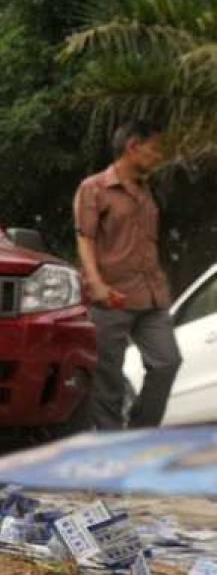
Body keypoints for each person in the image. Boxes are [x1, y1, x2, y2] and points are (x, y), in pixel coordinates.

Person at [75, 120, 180, 430]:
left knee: (166, 362)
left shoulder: (150, 191)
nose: (159, 156)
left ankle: (139, 434)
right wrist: (95, 283)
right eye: (155, 148)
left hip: (151, 294)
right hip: (112, 297)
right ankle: (112, 453)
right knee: (107, 380)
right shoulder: (93, 188)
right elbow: (85, 238)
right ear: (133, 146)